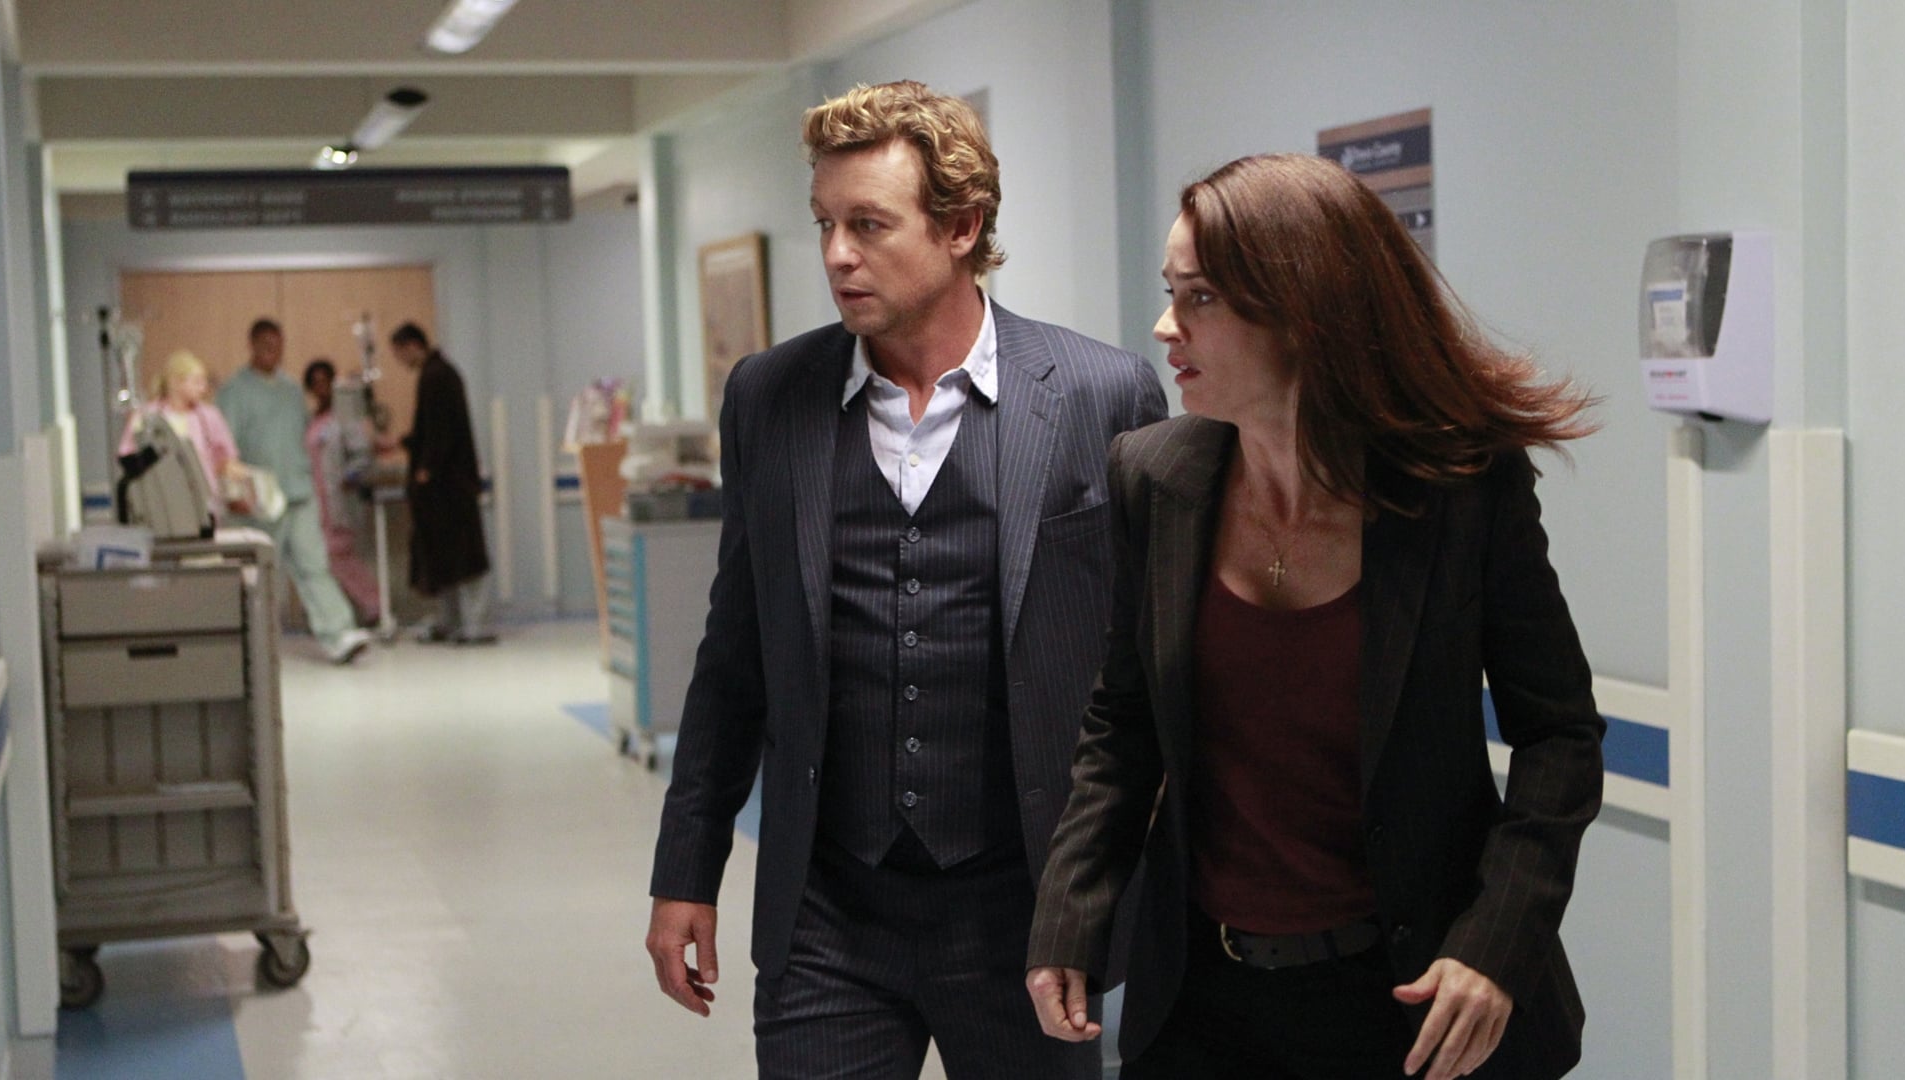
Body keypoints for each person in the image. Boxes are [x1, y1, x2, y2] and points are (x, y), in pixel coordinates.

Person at [1024, 153, 1606, 1080]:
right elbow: (1123, 721)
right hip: (1204, 1005)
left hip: (1410, 1001)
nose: (1166, 326)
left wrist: (1497, 943)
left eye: (1201, 297)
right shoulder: (1155, 477)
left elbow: (1559, 736)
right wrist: (1072, 909)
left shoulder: (1463, 488)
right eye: (1171, 292)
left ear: (1304, 314)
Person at [646, 80, 1167, 1079]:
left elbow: (1146, 675)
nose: (838, 255)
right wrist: (686, 869)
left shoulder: (1100, 396)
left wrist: (1128, 894)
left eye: (870, 224)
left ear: (962, 226)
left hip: (1026, 912)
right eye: (826, 224)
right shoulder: (770, 397)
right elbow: (734, 656)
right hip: (829, 911)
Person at [217, 319, 373, 665]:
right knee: (259, 575)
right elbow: (225, 451)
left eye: (278, 346)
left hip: (299, 493)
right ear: (252, 346)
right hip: (259, 501)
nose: (273, 353)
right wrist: (236, 494)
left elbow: (303, 438)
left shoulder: (290, 391)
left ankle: (339, 634)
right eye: (266, 346)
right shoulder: (235, 391)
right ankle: (252, 642)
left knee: (314, 565)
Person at [389, 322, 495, 645]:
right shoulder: (439, 373)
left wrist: (426, 469)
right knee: (447, 558)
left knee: (464, 558)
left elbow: (440, 431)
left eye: (399, 353)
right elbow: (430, 430)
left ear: (412, 346)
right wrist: (405, 443)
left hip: (449, 485)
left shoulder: (437, 376)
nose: (400, 360)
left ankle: (472, 624)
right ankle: (454, 622)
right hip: (446, 484)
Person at [303, 359, 383, 627]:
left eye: (325, 382)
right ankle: (358, 608)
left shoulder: (344, 418)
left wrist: (349, 477)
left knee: (338, 554)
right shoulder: (312, 421)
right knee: (328, 557)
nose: (321, 388)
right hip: (318, 500)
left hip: (339, 498)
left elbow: (362, 453)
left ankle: (374, 603)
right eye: (315, 383)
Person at [119, 349, 245, 518]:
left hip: (204, 501)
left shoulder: (209, 416)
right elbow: (128, 456)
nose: (203, 388)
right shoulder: (147, 416)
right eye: (197, 382)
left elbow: (227, 457)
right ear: (176, 382)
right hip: (160, 500)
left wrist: (232, 470)